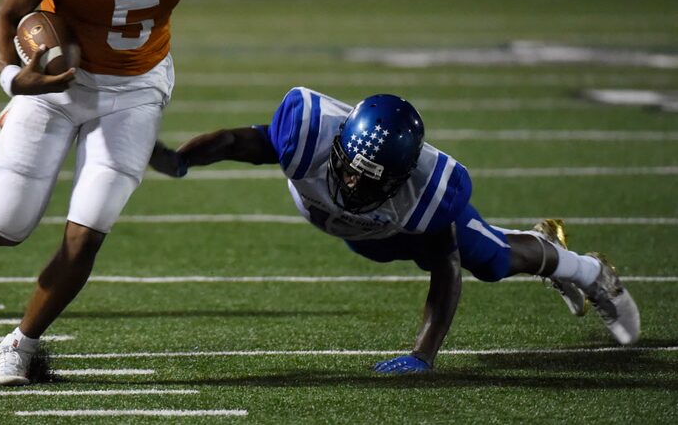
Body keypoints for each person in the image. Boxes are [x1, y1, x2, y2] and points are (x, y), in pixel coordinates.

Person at [0, 0, 291, 387]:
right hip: (58, 83)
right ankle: (14, 119)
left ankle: (21, 346)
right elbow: (6, 13)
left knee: (88, 232)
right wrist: (13, 79)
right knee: (3, 229)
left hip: (136, 86)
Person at [149, 87, 641, 373]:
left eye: (370, 178)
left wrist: (422, 354)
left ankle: (589, 270)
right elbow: (240, 141)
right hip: (363, 236)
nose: (351, 182)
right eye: (349, 167)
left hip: (396, 232)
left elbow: (445, 267)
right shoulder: (308, 135)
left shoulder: (425, 194)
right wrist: (182, 159)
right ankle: (555, 247)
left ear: (403, 176)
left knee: (490, 260)